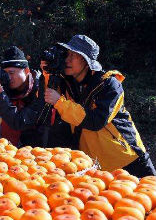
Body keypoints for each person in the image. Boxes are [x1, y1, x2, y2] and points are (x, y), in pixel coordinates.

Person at [44, 34, 155, 177]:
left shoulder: (109, 84)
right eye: (67, 54)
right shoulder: (66, 83)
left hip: (128, 159)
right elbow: (45, 102)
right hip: (96, 166)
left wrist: (60, 102)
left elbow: (96, 121)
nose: (67, 59)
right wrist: (48, 74)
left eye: (74, 55)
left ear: (87, 61)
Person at [0, 46, 72, 147]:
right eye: (5, 73)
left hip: (41, 151)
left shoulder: (40, 88)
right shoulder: (8, 87)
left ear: (26, 71)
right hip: (12, 150)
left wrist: (1, 95)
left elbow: (20, 122)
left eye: (11, 72)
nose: (8, 77)